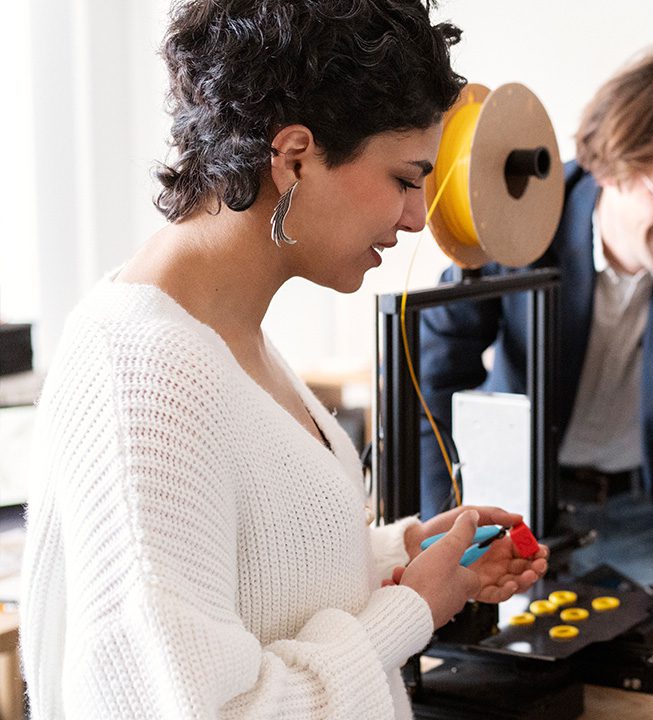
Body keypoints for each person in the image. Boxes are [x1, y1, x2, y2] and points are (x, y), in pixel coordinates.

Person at [19, 2, 548, 717]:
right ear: (294, 157)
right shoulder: (146, 379)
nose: (418, 215)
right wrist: (411, 609)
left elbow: (253, 582)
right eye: (403, 177)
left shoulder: (221, 330)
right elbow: (201, 708)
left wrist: (402, 556)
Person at [418, 44, 653, 657]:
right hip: (510, 506)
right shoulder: (514, 213)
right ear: (610, 166)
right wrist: (439, 534)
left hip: (642, 506)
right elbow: (433, 378)